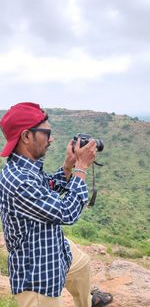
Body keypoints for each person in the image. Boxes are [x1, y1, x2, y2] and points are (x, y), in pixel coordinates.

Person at [0, 102, 113, 307]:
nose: (51, 139)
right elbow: (66, 212)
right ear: (26, 136)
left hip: (53, 248)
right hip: (37, 277)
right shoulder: (19, 180)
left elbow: (48, 188)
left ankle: (86, 301)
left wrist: (68, 166)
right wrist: (81, 167)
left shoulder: (27, 168)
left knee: (82, 264)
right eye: (47, 133)